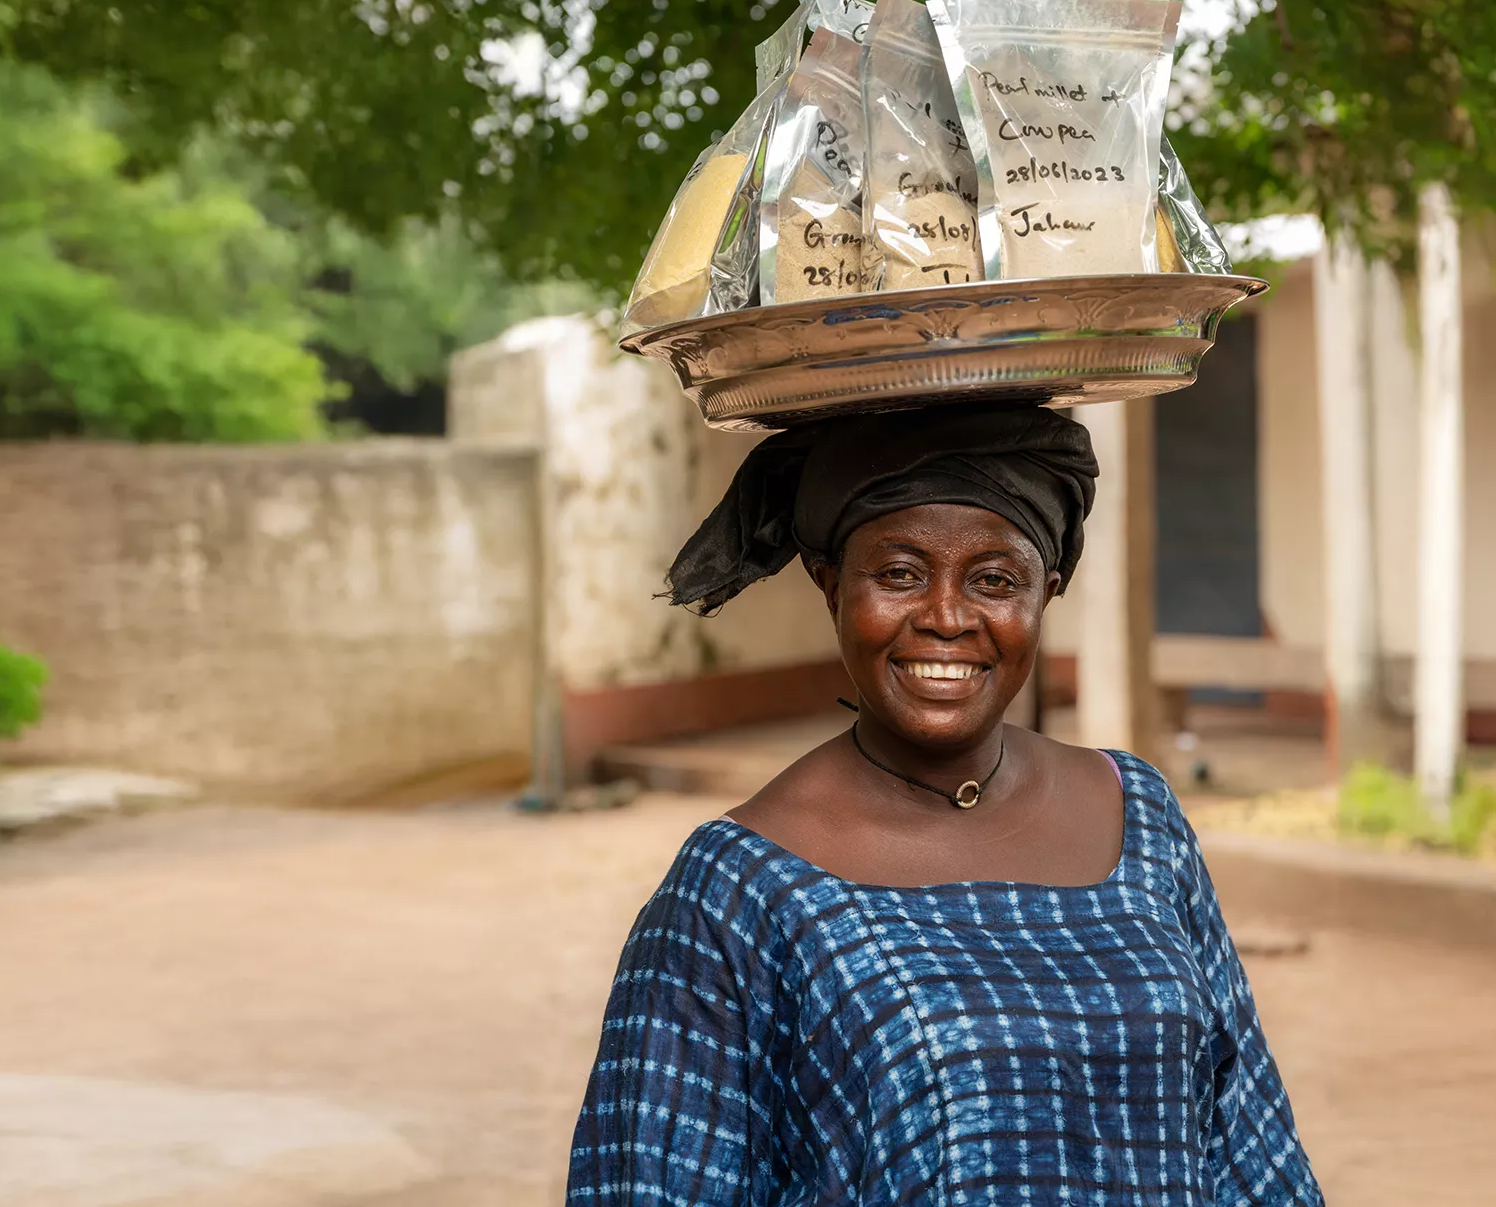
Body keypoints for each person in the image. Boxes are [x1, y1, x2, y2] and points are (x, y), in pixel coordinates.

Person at [566, 404, 1324, 1204]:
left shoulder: (1138, 814)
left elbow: (1247, 1146)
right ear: (830, 587)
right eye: (898, 574)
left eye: (996, 580)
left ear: (1048, 594)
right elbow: (651, 1185)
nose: (948, 618)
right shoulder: (739, 888)